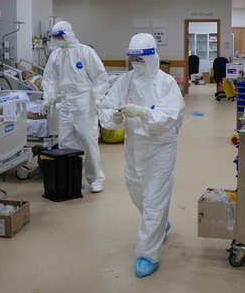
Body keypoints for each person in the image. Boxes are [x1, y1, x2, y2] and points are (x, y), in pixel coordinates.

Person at [99, 33, 185, 278]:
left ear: (152, 57)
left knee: (154, 199)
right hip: (134, 145)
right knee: (136, 191)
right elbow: (106, 107)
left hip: (161, 146)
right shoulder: (125, 81)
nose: (137, 63)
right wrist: (112, 118)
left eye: (141, 58)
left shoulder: (166, 83)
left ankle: (148, 254)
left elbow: (170, 117)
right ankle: (158, 223)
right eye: (133, 58)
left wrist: (141, 112)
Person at [39, 21, 109, 192]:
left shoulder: (85, 52)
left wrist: (98, 97)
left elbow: (100, 75)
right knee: (65, 142)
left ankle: (96, 178)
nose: (59, 40)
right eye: (56, 37)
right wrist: (48, 98)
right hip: (66, 103)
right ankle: (71, 177)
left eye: (61, 36)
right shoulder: (56, 55)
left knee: (89, 141)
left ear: (69, 34)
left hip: (84, 102)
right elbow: (50, 79)